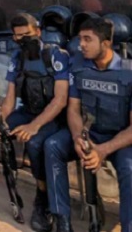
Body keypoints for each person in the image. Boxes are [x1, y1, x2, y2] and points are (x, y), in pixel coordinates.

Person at [0, 14, 70, 232]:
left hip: (52, 117)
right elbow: (9, 98)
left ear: (38, 32)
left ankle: (43, 198)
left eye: (27, 35)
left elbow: (60, 100)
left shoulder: (55, 56)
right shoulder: (17, 58)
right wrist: (1, 119)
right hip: (27, 112)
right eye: (18, 37)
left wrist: (34, 126)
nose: (23, 40)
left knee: (36, 143)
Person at [44, 18, 132, 232]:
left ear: (106, 43)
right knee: (53, 145)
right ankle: (62, 220)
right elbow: (73, 109)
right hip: (89, 133)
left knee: (130, 168)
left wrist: (103, 150)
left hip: (120, 140)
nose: (81, 44)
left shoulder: (129, 73)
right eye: (80, 39)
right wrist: (77, 138)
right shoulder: (78, 67)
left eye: (87, 39)